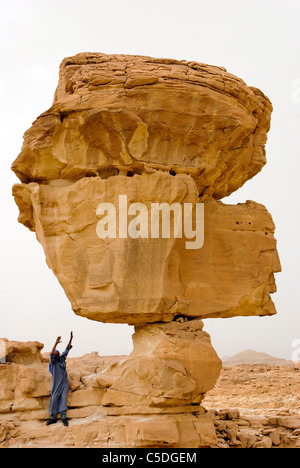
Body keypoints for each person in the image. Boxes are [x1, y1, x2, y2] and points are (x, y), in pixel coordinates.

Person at [46, 332, 73, 426]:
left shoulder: (62, 359)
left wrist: (71, 338)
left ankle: (63, 418)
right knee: (54, 399)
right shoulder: (53, 362)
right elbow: (51, 353)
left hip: (64, 383)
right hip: (56, 383)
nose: (57, 355)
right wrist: (56, 343)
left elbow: (67, 349)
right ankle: (53, 418)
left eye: (58, 353)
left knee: (63, 399)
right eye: (56, 354)